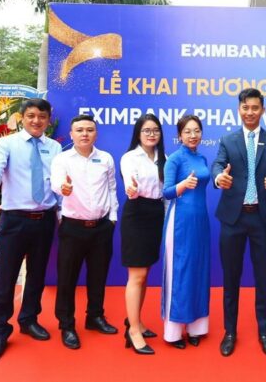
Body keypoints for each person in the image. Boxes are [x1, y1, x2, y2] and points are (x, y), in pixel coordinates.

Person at [0, 98, 62, 363]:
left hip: (44, 219)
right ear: (22, 117)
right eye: (31, 116)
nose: (36, 121)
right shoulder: (7, 144)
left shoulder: (55, 147)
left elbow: (59, 183)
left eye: (42, 117)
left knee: (37, 275)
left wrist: (61, 212)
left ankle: (29, 319)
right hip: (14, 220)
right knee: (6, 277)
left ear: (48, 120)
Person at [211, 88, 266, 357]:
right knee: (230, 277)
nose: (250, 112)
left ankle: (264, 332)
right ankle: (229, 332)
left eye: (255, 108)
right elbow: (218, 165)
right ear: (239, 109)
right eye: (245, 108)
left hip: (262, 218)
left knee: (264, 278)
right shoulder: (227, 140)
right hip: (232, 219)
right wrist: (219, 177)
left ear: (263, 110)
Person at [50, 114, 119, 350]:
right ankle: (67, 325)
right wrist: (63, 188)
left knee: (98, 276)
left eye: (89, 130)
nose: (84, 134)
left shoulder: (106, 158)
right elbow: (56, 182)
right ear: (71, 134)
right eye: (79, 130)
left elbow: (112, 189)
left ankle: (95, 316)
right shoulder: (62, 159)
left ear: (96, 134)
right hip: (73, 228)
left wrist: (112, 218)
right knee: (67, 279)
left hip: (101, 227)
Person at [161, 115, 211, 349]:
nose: (193, 135)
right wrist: (182, 186)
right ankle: (173, 332)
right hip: (180, 222)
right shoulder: (174, 159)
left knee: (199, 271)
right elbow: (166, 192)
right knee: (180, 272)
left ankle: (195, 327)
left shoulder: (202, 158)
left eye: (197, 131)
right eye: (188, 131)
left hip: (200, 221)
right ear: (179, 135)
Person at [119, 114, 167, 354]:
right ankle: (133, 331)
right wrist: (132, 188)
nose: (151, 134)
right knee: (136, 275)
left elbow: (165, 192)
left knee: (145, 272)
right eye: (146, 130)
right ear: (138, 133)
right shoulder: (130, 157)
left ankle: (135, 321)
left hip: (156, 214)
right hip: (137, 213)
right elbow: (131, 182)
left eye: (155, 130)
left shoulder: (164, 158)